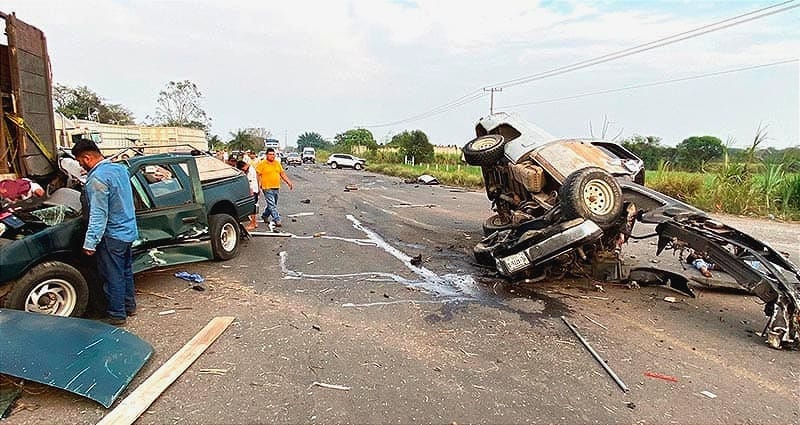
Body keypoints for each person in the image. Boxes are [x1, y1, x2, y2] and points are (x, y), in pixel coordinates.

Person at [72, 139, 138, 326]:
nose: (80, 166)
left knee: (112, 274)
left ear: (87, 157)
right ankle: (128, 305)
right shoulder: (120, 170)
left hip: (112, 235)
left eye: (79, 161)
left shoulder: (97, 179)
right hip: (127, 231)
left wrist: (90, 242)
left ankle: (117, 314)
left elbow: (99, 214)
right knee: (125, 270)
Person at [255, 147, 293, 227]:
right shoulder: (262, 164)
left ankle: (265, 215)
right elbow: (257, 175)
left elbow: (282, 174)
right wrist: (258, 186)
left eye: (273, 154)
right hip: (266, 187)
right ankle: (277, 219)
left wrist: (288, 182)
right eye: (270, 154)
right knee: (272, 204)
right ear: (266, 155)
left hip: (276, 187)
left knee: (273, 203)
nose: (272, 156)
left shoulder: (277, 163)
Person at [236, 160, 259, 230]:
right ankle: (254, 223)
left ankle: (252, 223)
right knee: (253, 207)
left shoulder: (250, 171)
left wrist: (251, 193)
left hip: (252, 191)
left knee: (252, 208)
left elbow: (250, 183)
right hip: (255, 189)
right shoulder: (251, 168)